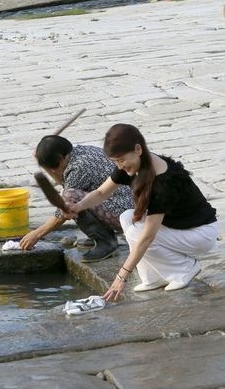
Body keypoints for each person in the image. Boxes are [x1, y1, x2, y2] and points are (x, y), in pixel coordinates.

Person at [67, 123, 218, 301]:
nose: (120, 166)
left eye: (121, 160)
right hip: (178, 228)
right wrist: (77, 206)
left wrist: (122, 276)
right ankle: (153, 277)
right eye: (115, 161)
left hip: (200, 233)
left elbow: (148, 237)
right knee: (127, 217)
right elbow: (101, 193)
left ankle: (183, 269)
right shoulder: (136, 164)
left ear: (138, 149)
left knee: (138, 232)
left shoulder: (161, 181)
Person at [20, 135, 134, 263]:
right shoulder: (81, 150)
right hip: (119, 204)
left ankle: (106, 241)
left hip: (123, 214)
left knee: (70, 197)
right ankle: (101, 235)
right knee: (70, 194)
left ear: (61, 158)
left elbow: (63, 210)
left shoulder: (78, 168)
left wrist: (37, 234)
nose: (52, 171)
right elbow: (64, 183)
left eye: (53, 167)